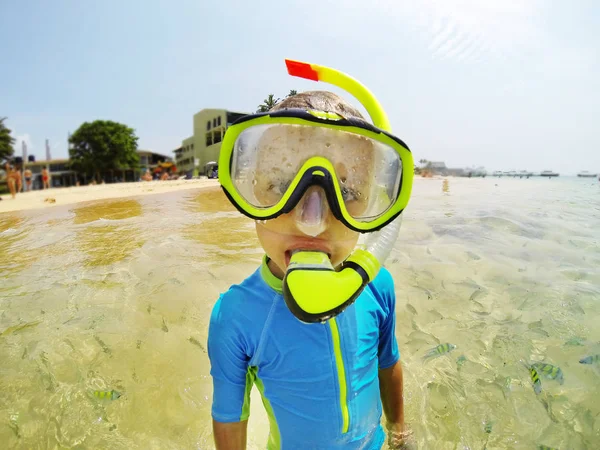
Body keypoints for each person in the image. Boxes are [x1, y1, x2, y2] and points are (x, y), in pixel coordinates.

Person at [208, 59, 414, 450]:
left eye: (349, 192)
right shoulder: (234, 317)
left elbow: (389, 366)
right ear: (248, 186)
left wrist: (401, 435)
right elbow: (229, 418)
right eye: (283, 184)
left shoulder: (377, 285)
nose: (313, 221)